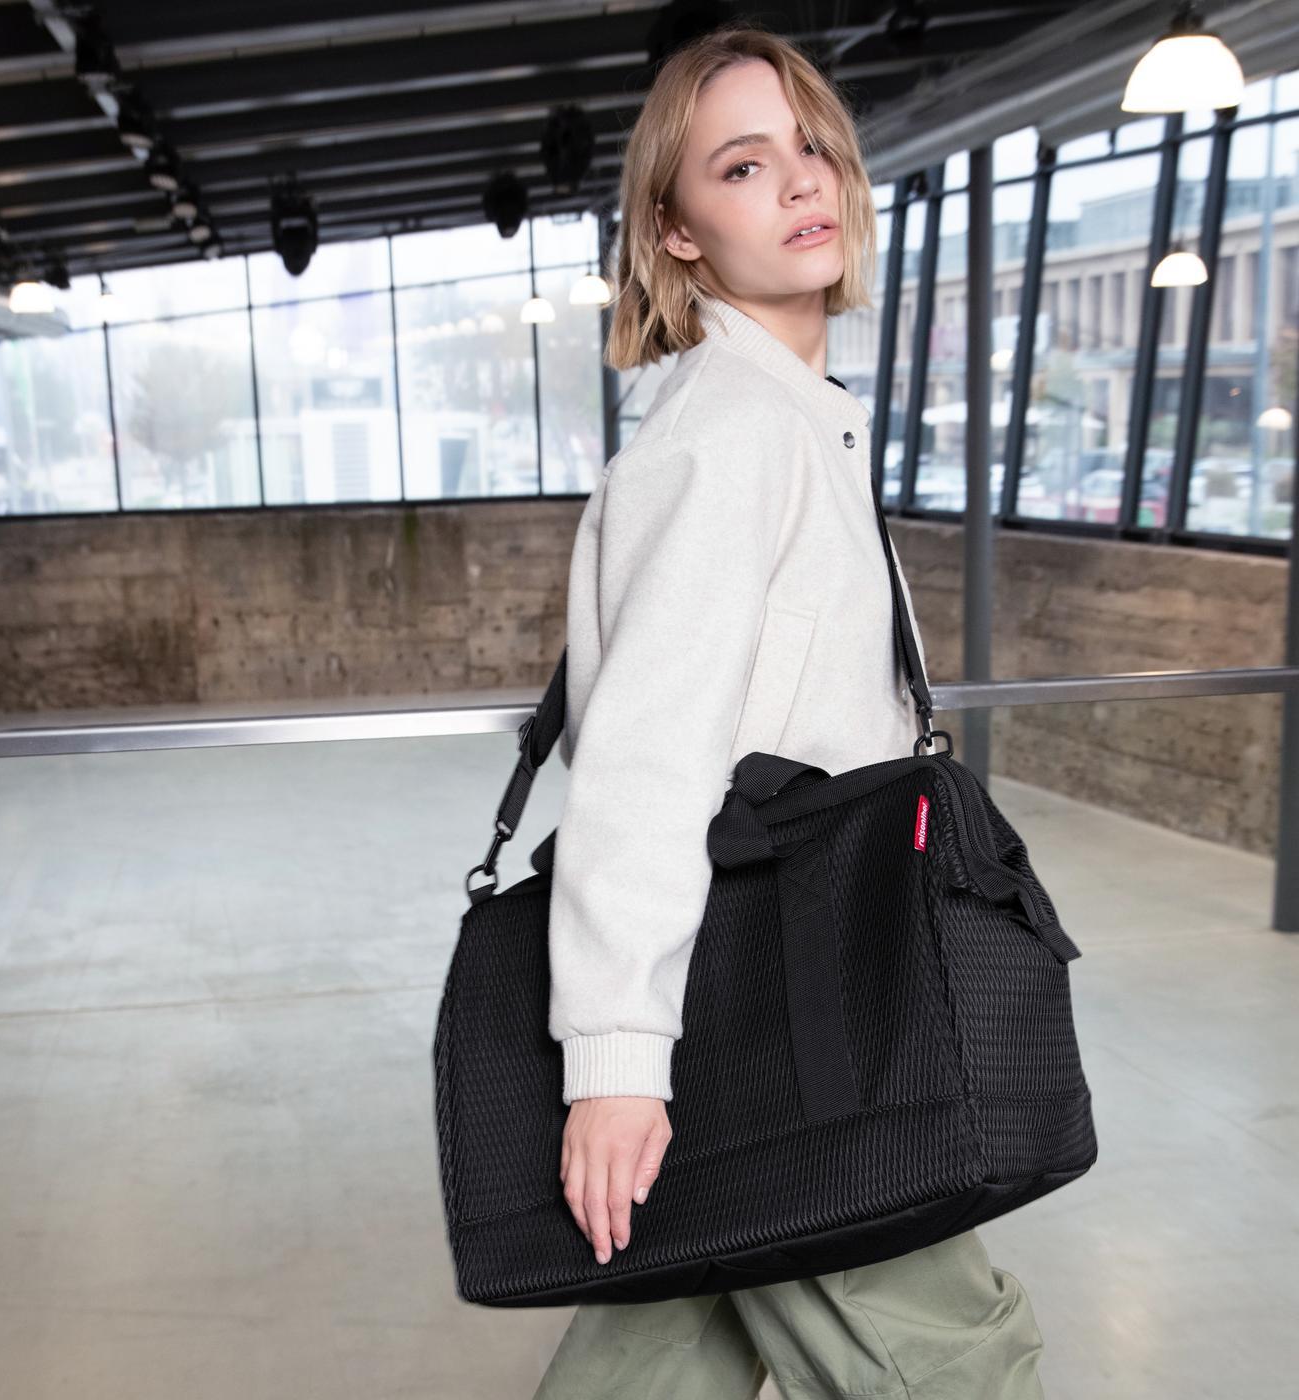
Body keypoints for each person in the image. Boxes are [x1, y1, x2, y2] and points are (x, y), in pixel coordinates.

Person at [535, 22, 1047, 1400]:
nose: (803, 179)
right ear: (677, 231)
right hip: (784, 1000)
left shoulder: (795, 415)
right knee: (956, 1361)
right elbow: (644, 763)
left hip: (808, 970)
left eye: (813, 145)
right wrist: (615, 1061)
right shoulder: (729, 437)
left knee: (665, 1356)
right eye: (744, 165)